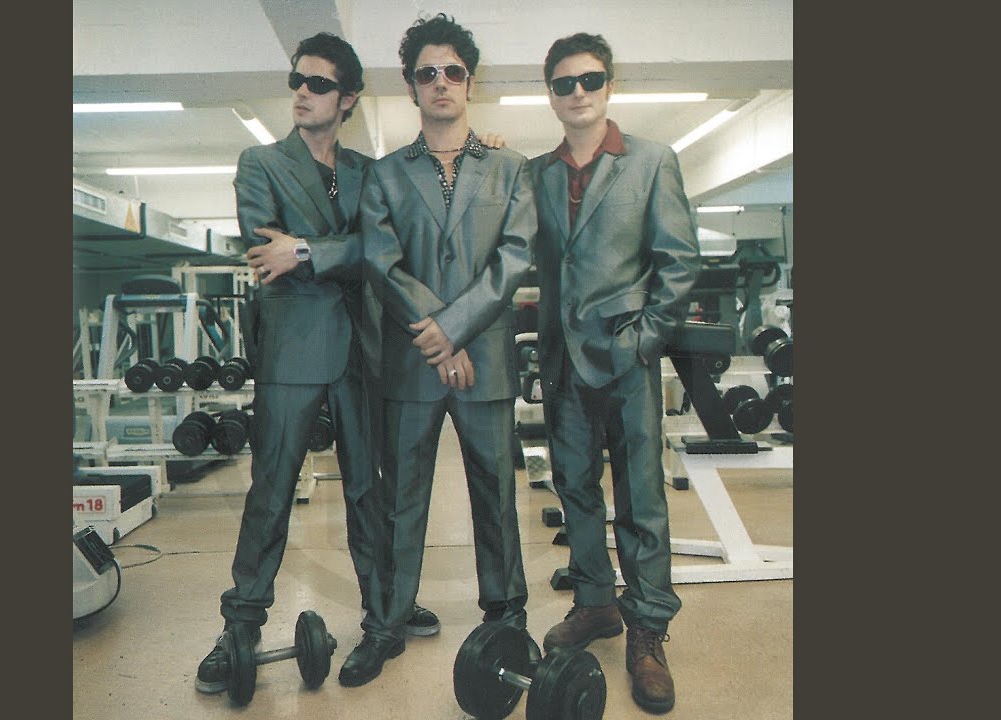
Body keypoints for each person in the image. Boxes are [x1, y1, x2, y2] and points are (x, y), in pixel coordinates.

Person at [193, 32, 439, 694]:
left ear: (348, 98)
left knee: (368, 491)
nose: (302, 92)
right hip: (291, 352)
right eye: (296, 80)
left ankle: (386, 610)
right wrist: (342, 251)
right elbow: (265, 249)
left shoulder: (371, 172)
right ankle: (239, 627)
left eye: (319, 84)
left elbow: (382, 251)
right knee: (271, 491)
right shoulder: (260, 163)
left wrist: (305, 250)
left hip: (362, 352)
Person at [353, 12, 537, 687]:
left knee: (497, 495)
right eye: (426, 73)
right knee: (400, 499)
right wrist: (437, 335)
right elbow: (382, 262)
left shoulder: (511, 170)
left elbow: (513, 259)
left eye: (452, 71)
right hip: (413, 363)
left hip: (483, 359)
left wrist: (452, 329)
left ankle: (507, 619)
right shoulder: (385, 176)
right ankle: (386, 622)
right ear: (410, 86)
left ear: (470, 81)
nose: (440, 82)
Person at [527, 33, 700, 714]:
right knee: (573, 487)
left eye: (590, 80)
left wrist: (644, 341)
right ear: (551, 95)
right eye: (564, 83)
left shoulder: (652, 161)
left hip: (627, 357)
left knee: (641, 496)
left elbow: (679, 263)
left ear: (609, 86)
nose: (578, 93)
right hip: (563, 359)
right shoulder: (536, 174)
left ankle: (648, 630)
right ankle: (597, 603)